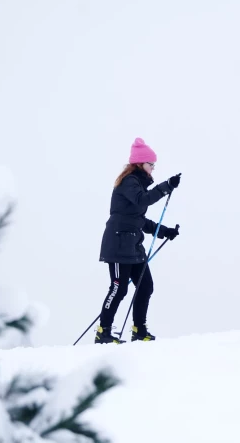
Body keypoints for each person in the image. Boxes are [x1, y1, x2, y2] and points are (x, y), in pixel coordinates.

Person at [95, 137, 181, 344]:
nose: (153, 168)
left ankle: (139, 329)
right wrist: (166, 186)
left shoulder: (138, 185)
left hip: (133, 246)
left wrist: (164, 231)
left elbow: (138, 220)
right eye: (151, 164)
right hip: (117, 245)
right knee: (118, 288)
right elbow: (144, 201)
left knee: (145, 286)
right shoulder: (129, 181)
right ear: (141, 163)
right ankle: (103, 332)